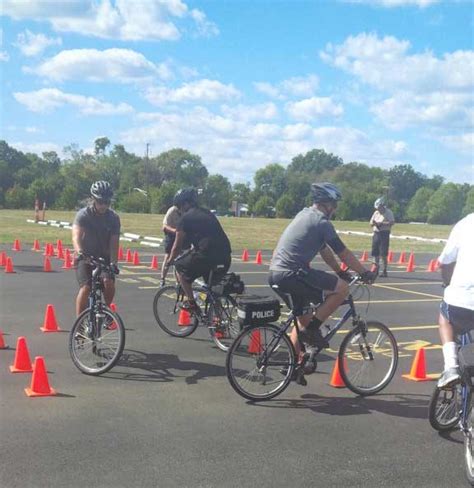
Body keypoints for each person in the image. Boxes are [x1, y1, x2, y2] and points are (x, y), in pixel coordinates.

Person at [269, 182, 377, 365]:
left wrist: (338, 271)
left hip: (275, 274)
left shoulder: (304, 215)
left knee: (302, 318)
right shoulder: (321, 222)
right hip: (293, 274)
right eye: (334, 205)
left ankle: (293, 366)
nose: (334, 210)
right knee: (342, 290)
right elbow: (342, 251)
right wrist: (364, 272)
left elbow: (324, 250)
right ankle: (311, 332)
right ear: (326, 203)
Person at [168, 188, 232, 312]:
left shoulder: (185, 219)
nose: (179, 210)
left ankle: (191, 303)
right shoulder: (207, 213)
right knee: (213, 291)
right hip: (225, 256)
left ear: (185, 204)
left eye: (179, 207)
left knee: (180, 268)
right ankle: (218, 318)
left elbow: (177, 246)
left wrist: (170, 260)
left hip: (207, 256)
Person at [436, 212, 474, 388]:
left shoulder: (465, 223)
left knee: (446, 319)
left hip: (462, 298)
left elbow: (445, 262)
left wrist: (447, 283)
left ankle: (450, 366)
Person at [72, 181, 121, 316]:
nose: (103, 206)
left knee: (108, 282)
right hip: (85, 256)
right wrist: (80, 253)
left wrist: (113, 263)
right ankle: (79, 325)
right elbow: (76, 237)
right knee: (86, 288)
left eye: (107, 202)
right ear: (93, 199)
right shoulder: (84, 215)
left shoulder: (113, 218)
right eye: (100, 202)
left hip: (103, 257)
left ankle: (106, 310)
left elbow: (114, 243)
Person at [369, 197, 395, 277]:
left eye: (379, 208)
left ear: (383, 206)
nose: (378, 210)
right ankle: (375, 269)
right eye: (377, 208)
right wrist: (375, 223)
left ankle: (384, 270)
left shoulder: (388, 212)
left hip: (384, 233)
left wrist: (382, 223)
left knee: (383, 253)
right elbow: (370, 223)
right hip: (376, 233)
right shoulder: (376, 213)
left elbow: (392, 222)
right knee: (375, 252)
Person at [160, 203, 182, 287]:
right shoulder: (172, 210)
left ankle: (178, 281)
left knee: (179, 258)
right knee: (168, 257)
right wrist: (174, 230)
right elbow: (164, 226)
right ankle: (162, 279)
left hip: (180, 235)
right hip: (171, 235)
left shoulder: (185, 211)